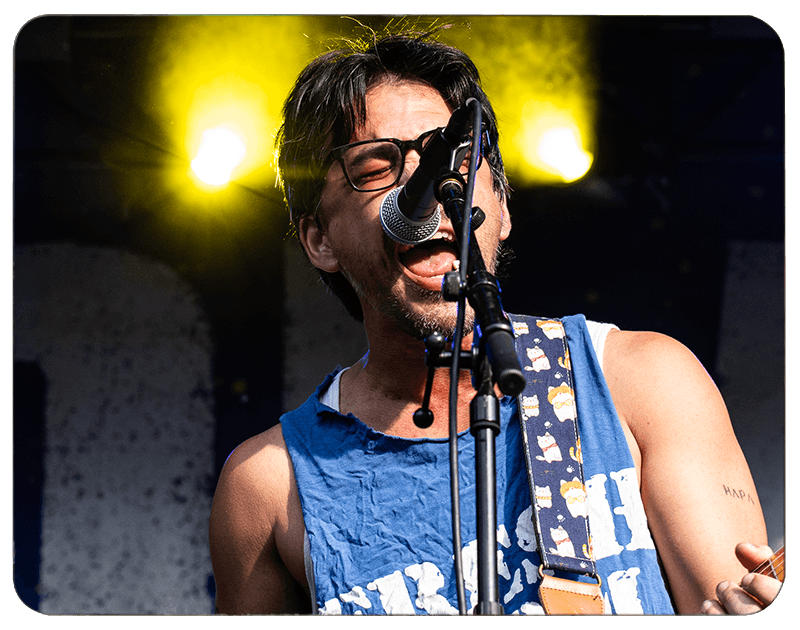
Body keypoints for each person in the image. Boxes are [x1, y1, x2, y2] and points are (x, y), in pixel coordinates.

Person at [208, 30, 780, 615]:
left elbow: (732, 595)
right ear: (320, 241)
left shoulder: (645, 381)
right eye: (377, 165)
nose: (427, 188)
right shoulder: (268, 487)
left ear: (501, 209)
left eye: (451, 155)